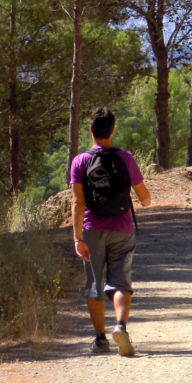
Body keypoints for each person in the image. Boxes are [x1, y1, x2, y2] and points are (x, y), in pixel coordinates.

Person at [70, 106, 152, 356]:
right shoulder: (125, 157)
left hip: (91, 230)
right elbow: (144, 197)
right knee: (121, 282)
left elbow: (77, 202)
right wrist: (145, 201)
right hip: (122, 228)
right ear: (113, 130)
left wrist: (77, 238)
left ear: (91, 130)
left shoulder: (81, 161)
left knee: (94, 284)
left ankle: (99, 339)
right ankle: (120, 326)